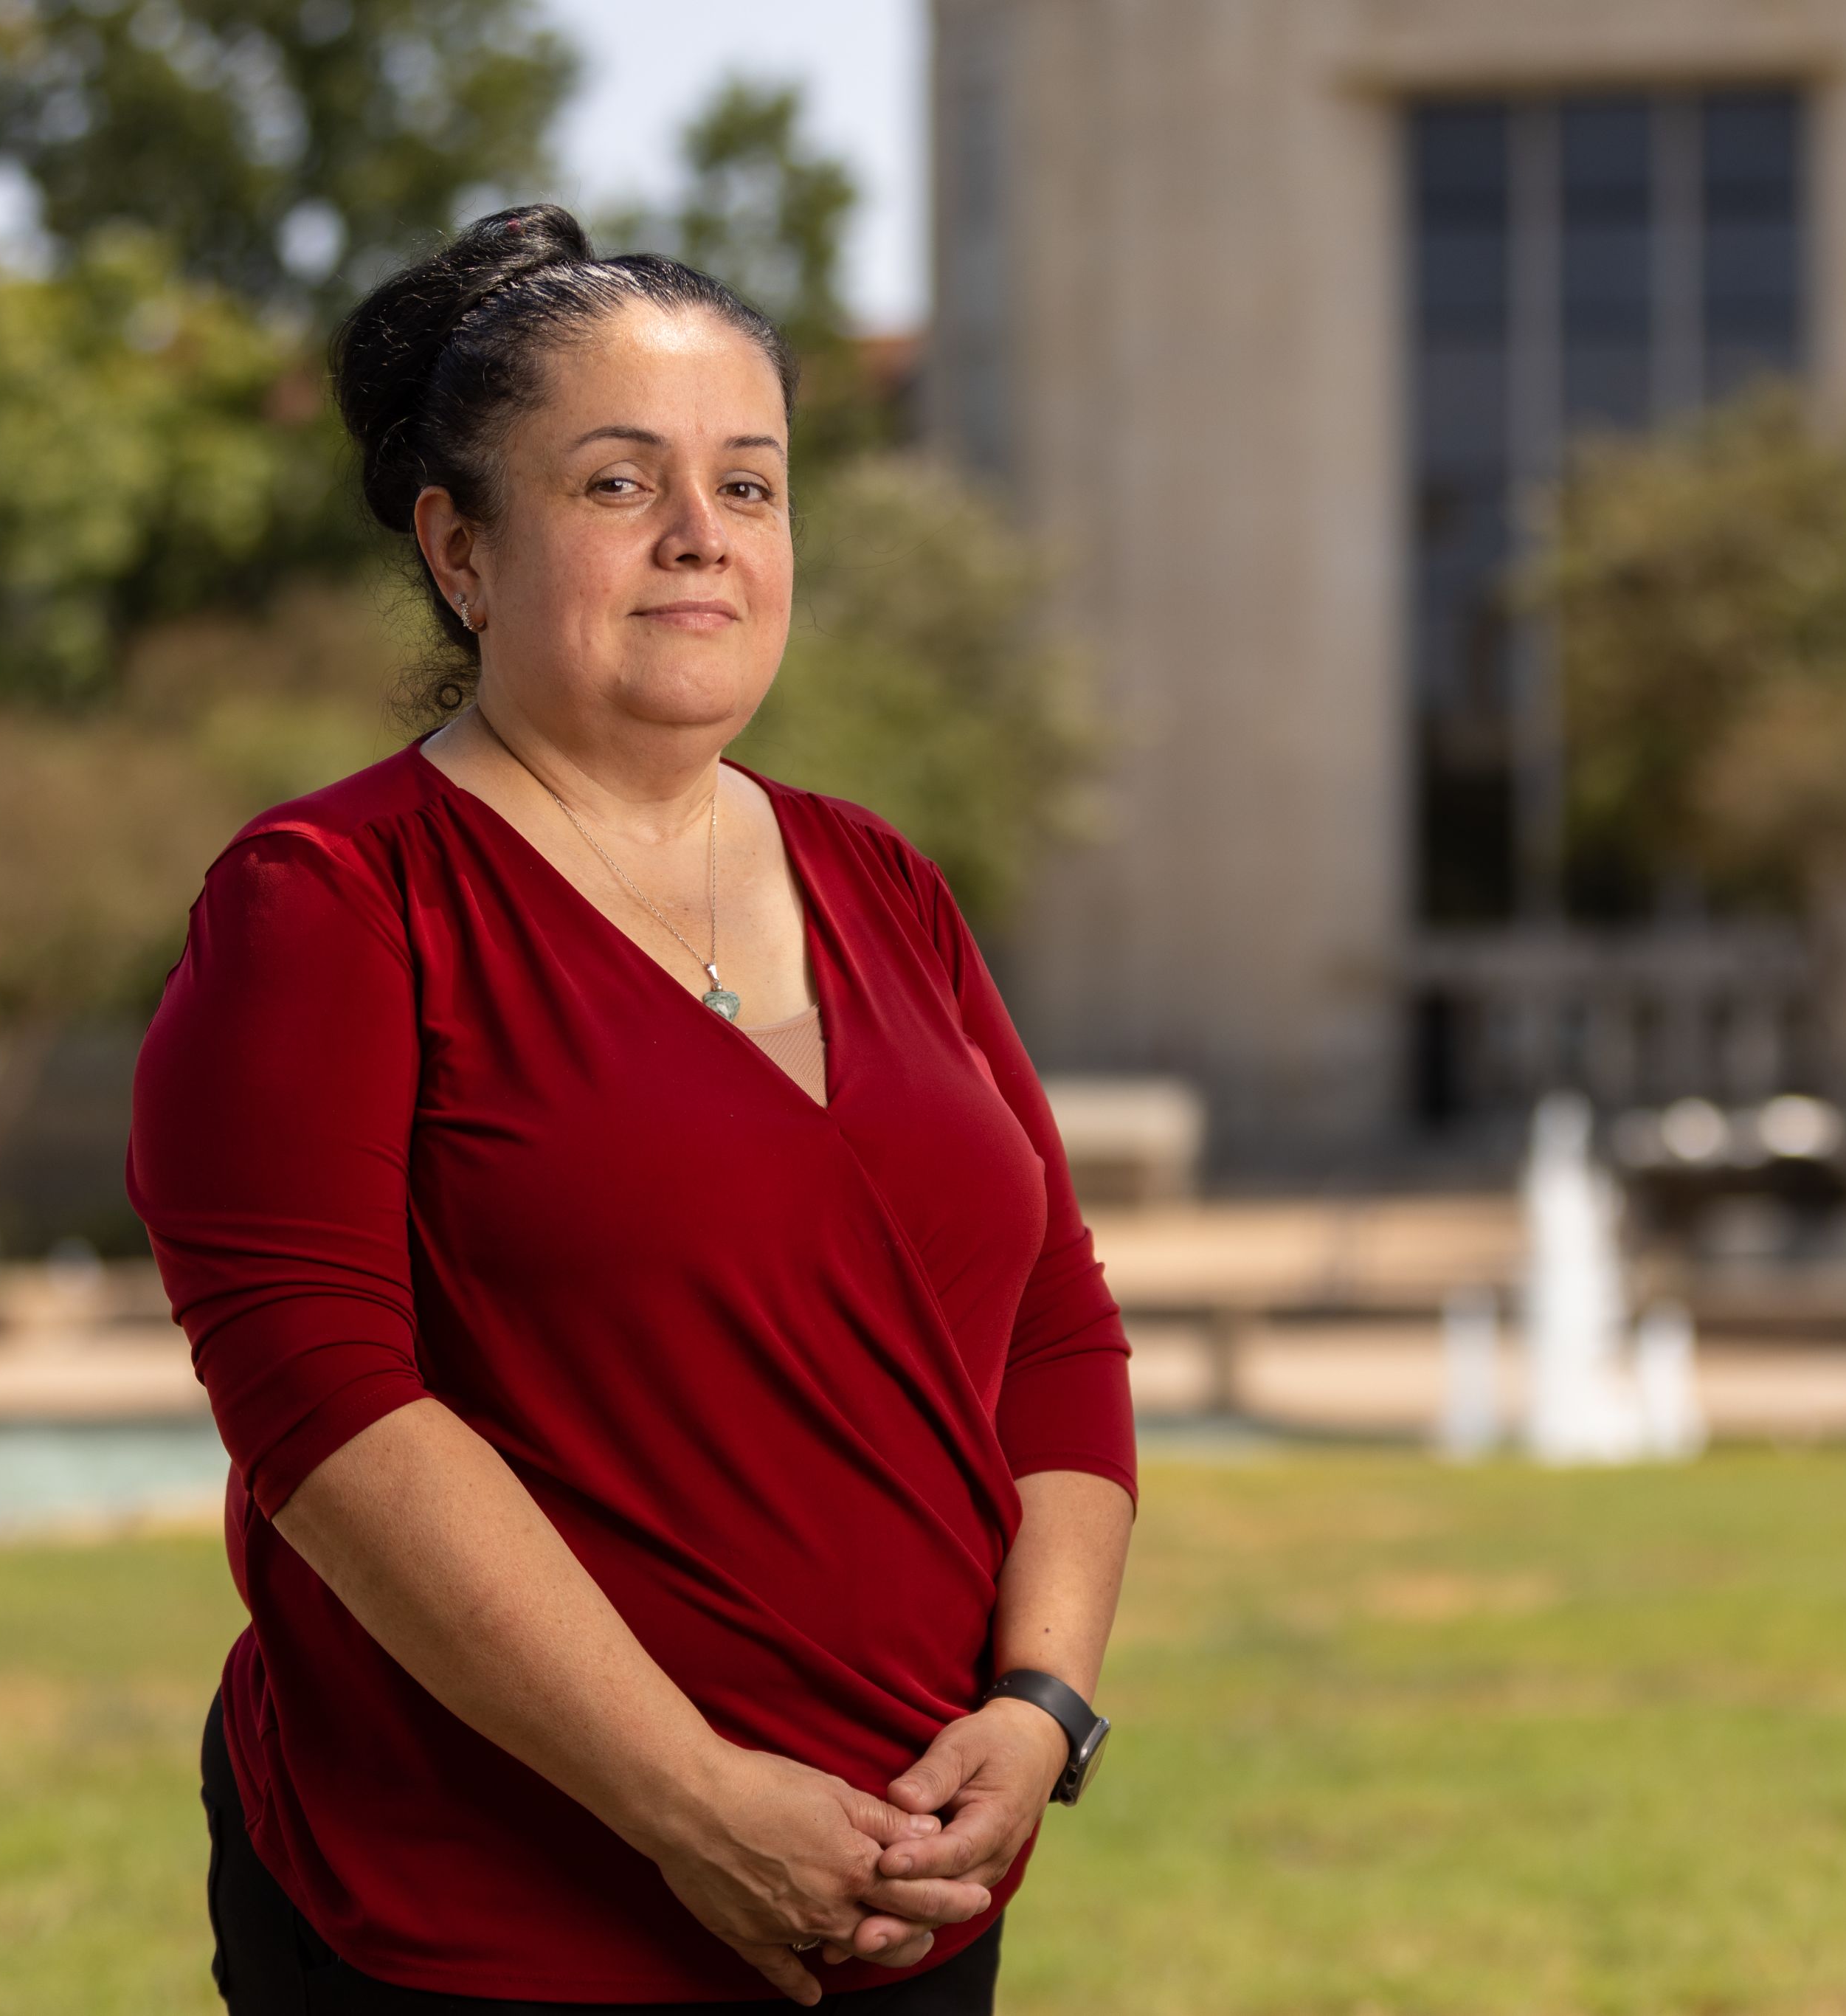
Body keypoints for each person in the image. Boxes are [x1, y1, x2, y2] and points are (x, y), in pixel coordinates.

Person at [128, 204, 1135, 2014]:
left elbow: (1054, 1324)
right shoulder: (330, 901)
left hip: (905, 1890)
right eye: (616, 485)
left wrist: (1039, 1700)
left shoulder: (882, 880)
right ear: (459, 549)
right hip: (478, 1919)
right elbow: (323, 1403)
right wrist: (690, 1803)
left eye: (749, 486)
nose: (702, 539)